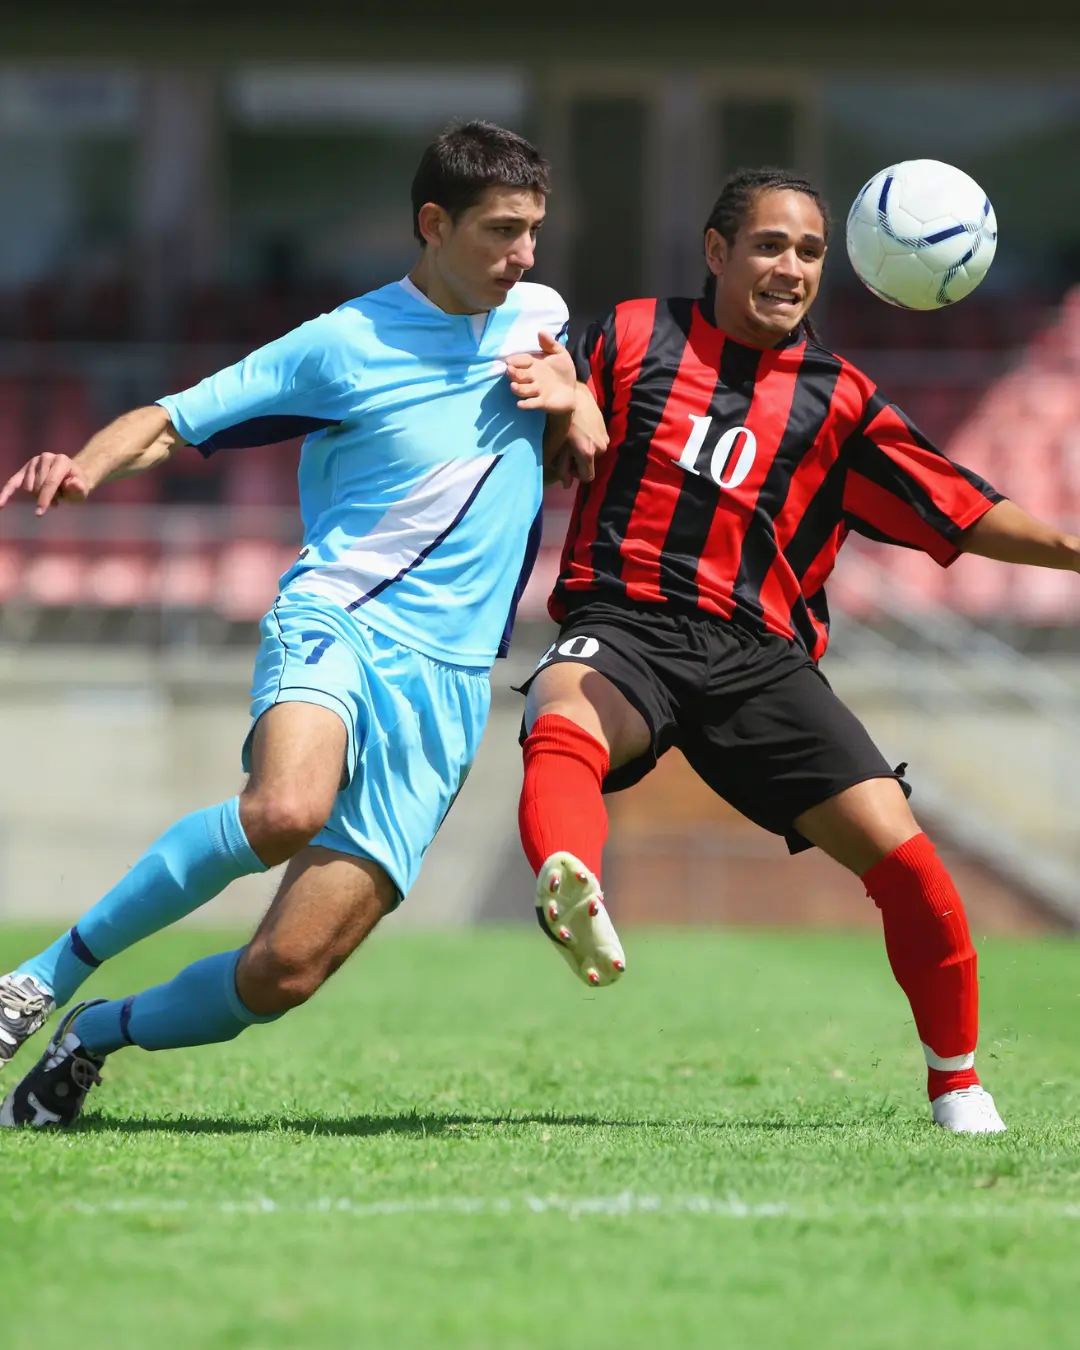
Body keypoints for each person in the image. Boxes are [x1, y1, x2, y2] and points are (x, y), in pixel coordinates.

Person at [0, 120, 601, 1129]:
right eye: (502, 231)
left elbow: (565, 428)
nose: (524, 254)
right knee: (284, 809)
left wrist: (578, 399)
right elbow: (174, 415)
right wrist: (83, 466)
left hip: (452, 686)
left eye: (533, 230)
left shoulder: (539, 314)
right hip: (344, 622)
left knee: (284, 974)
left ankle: (90, 1036)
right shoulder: (345, 341)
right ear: (431, 224)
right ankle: (33, 980)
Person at [513, 165, 1080, 1135]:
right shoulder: (634, 334)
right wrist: (566, 393)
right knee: (560, 711)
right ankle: (572, 878)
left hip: (759, 659)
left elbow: (967, 509)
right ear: (717, 252)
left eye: (810, 251)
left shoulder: (840, 402)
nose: (790, 267)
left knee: (907, 861)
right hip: (631, 621)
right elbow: (523, 350)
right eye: (770, 245)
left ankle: (958, 1085)